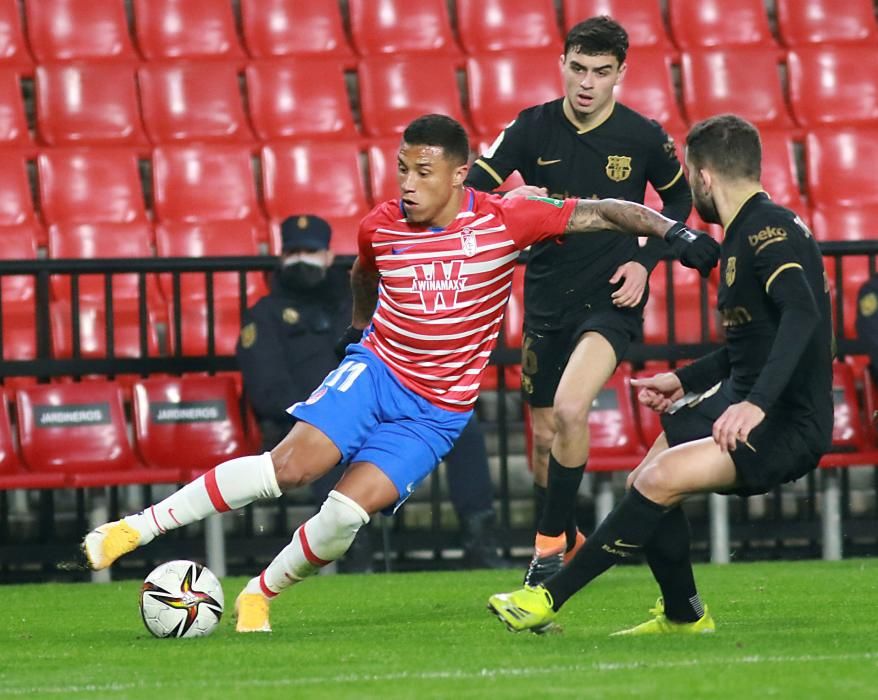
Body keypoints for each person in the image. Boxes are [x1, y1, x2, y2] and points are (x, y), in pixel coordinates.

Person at [81, 113, 718, 634]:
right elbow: (364, 274)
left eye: (423, 171)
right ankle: (133, 529)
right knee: (291, 466)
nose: (407, 184)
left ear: (459, 174)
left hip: (437, 413)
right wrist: (359, 331)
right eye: (402, 170)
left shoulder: (505, 219)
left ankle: (260, 594)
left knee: (343, 517)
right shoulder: (381, 226)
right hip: (379, 370)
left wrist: (674, 233)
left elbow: (606, 210)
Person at [487, 114, 834, 636]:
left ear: (704, 177)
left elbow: (803, 317)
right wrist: (687, 380)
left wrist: (756, 403)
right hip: (751, 400)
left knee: (656, 479)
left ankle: (547, 597)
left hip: (785, 420)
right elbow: (754, 344)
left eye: (692, 177)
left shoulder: (767, 230)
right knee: (644, 481)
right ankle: (683, 615)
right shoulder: (747, 232)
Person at [464, 16, 692, 585]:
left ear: (621, 74)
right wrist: (513, 200)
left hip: (609, 298)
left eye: (602, 72)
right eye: (579, 68)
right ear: (562, 64)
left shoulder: (643, 136)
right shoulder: (531, 127)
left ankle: (545, 559)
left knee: (570, 410)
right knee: (543, 438)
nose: (588, 83)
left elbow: (680, 203)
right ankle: (566, 541)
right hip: (545, 298)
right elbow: (469, 193)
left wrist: (644, 262)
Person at [236, 215, 508, 570]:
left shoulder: (359, 300)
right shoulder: (264, 315)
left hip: (383, 406)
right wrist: (323, 413)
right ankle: (354, 558)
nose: (302, 259)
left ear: (329, 256)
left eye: (311, 251)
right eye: (294, 251)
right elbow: (267, 388)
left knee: (465, 431)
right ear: (281, 255)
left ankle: (480, 543)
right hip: (317, 417)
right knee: (326, 441)